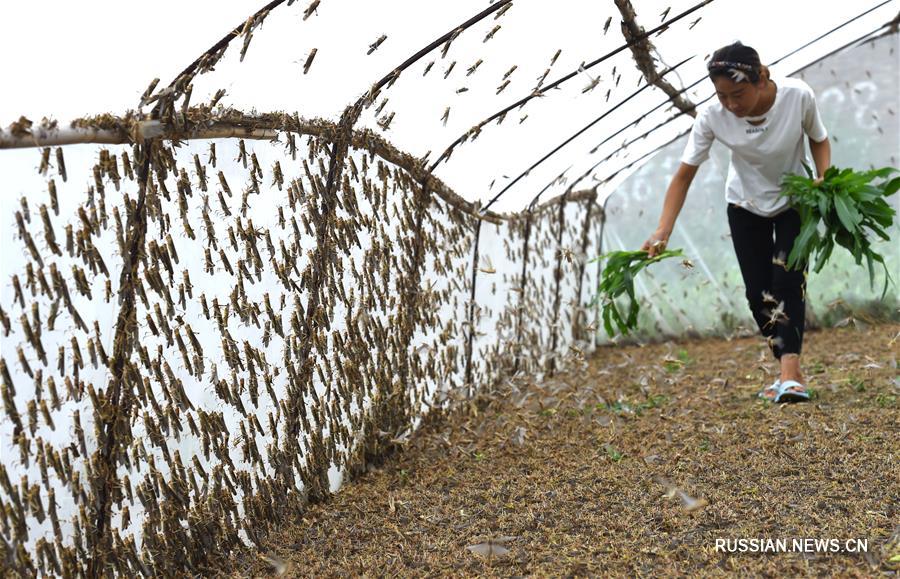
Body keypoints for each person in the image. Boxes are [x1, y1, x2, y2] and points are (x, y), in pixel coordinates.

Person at [641, 41, 831, 403]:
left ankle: (790, 374)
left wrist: (824, 180)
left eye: (738, 93)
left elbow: (818, 140)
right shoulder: (713, 116)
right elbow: (683, 175)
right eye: (722, 95)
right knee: (757, 293)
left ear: (762, 78)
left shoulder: (797, 97)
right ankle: (787, 370)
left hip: (796, 200)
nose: (731, 104)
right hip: (744, 204)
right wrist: (662, 230)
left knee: (786, 281)